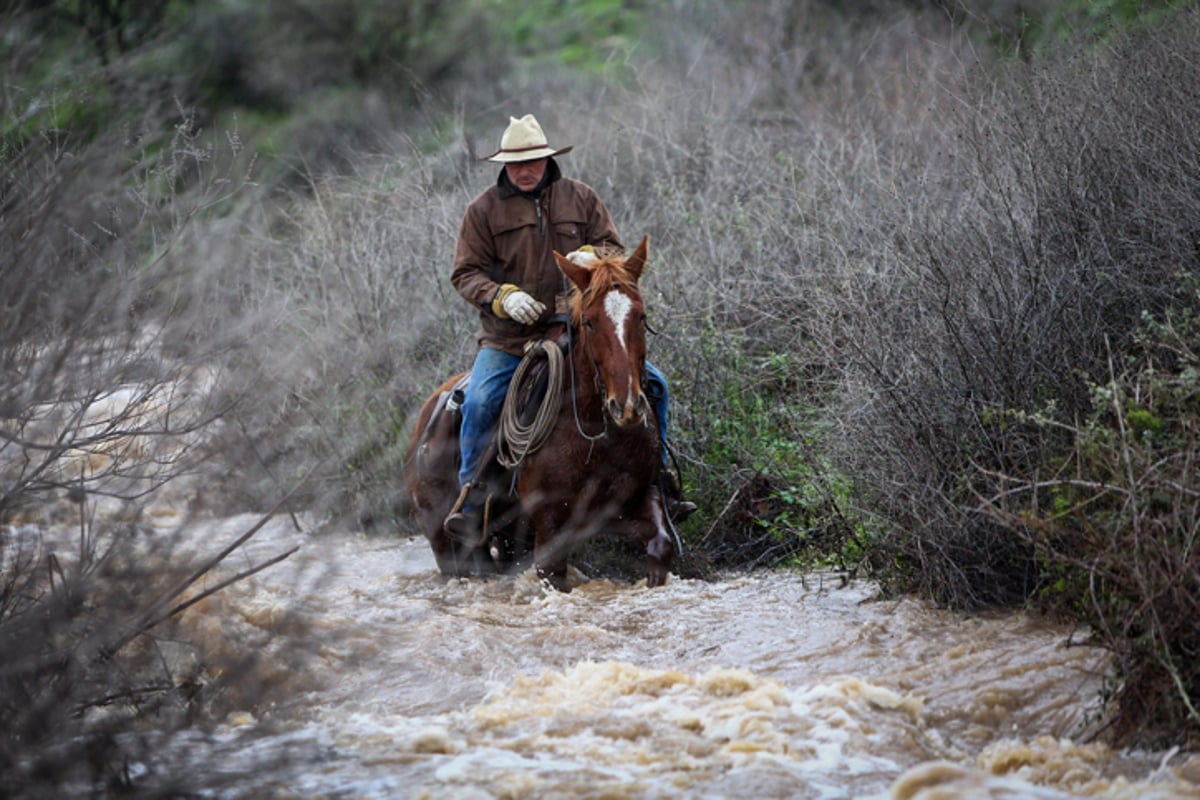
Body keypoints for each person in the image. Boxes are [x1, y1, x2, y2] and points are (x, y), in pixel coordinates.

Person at [443, 114, 695, 540]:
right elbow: (465, 273)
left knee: (656, 386)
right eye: (516, 162)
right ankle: (472, 496)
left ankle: (659, 480)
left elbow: (613, 248)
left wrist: (591, 256)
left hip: (579, 327)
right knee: (482, 400)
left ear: (547, 159)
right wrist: (500, 296)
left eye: (534, 160)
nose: (526, 170)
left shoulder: (580, 198)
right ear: (504, 164)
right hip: (510, 339)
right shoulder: (482, 211)